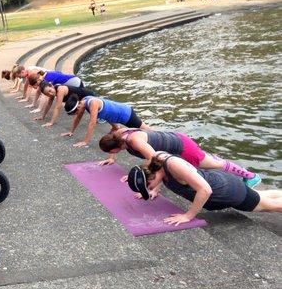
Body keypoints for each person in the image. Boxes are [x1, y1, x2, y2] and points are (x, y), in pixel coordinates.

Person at [127, 152, 282, 226]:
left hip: (228, 192)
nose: (149, 189)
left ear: (150, 176)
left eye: (148, 186)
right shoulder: (156, 164)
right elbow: (160, 176)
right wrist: (154, 190)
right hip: (225, 184)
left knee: (269, 207)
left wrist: (188, 216)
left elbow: (205, 190)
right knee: (260, 196)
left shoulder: (173, 165)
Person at [98, 128, 261, 188]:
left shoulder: (134, 141)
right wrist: (113, 159)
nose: (111, 153)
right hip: (174, 141)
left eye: (111, 152)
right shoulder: (120, 135)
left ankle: (252, 177)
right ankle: (207, 156)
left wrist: (154, 187)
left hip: (181, 147)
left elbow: (156, 160)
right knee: (207, 160)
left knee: (212, 164)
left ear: (115, 147)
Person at [61, 94, 150, 147]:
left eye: (76, 111)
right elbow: (78, 118)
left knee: (145, 130)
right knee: (115, 127)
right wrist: (71, 131)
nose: (77, 114)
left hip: (125, 114)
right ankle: (115, 127)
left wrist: (85, 141)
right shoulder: (84, 101)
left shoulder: (92, 103)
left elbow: (92, 123)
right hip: (116, 115)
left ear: (79, 103)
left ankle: (162, 136)